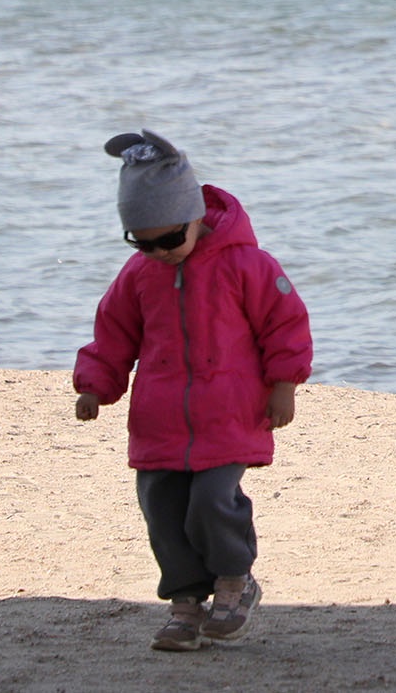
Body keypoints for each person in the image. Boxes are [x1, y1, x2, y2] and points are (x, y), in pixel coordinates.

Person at [73, 129, 313, 653]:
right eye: (143, 242)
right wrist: (95, 385)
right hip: (159, 419)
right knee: (162, 508)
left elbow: (286, 324)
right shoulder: (139, 275)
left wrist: (284, 385)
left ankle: (234, 581)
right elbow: (112, 334)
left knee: (211, 501)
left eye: (168, 240)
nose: (157, 253)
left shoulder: (247, 265)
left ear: (195, 218)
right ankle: (185, 603)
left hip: (230, 414)